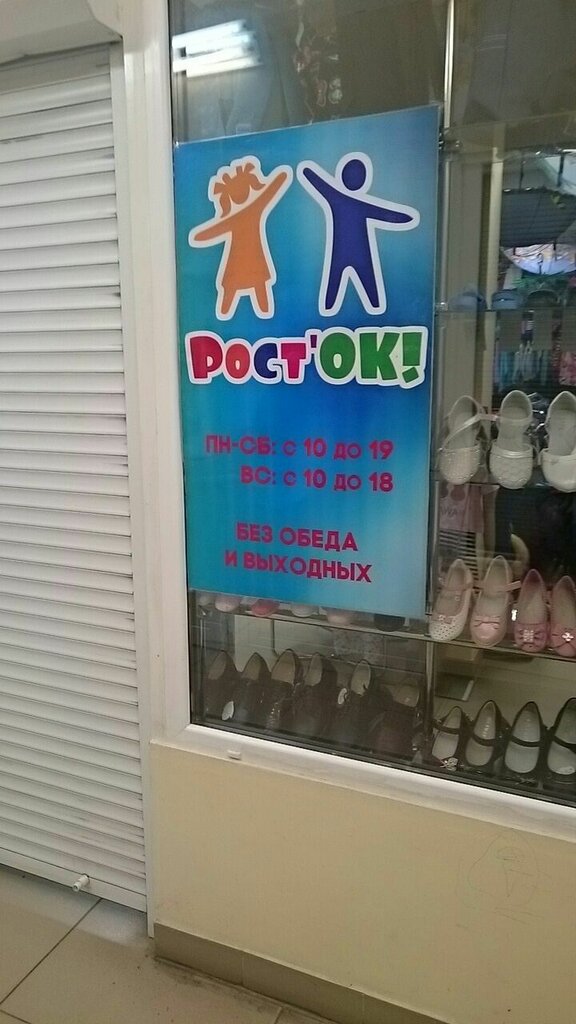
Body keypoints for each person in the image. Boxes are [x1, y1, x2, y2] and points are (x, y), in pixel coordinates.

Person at [297, 153, 419, 315]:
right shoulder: (354, 203)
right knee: (364, 286)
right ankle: (366, 307)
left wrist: (306, 170)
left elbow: (317, 181)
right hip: (360, 254)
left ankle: (336, 307)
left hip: (342, 253)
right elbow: (389, 215)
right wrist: (406, 217)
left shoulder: (336, 198)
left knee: (340, 284)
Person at [190, 157, 293, 319]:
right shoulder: (252, 209)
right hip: (247, 263)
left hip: (242, 264)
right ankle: (251, 317)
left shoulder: (249, 211)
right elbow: (276, 184)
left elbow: (277, 183)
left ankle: (259, 317)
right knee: (246, 290)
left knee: (250, 290)